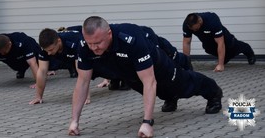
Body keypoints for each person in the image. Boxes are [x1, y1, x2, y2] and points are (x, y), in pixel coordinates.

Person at [68, 16, 223, 138]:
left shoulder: (130, 38)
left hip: (159, 66)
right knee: (160, 93)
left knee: (183, 85)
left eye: (98, 43)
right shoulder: (85, 46)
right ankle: (170, 97)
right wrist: (74, 121)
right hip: (129, 73)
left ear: (109, 34)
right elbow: (82, 83)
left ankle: (214, 92)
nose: (93, 48)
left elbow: (149, 81)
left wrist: (147, 122)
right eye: (90, 43)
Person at [29, 28, 90, 105]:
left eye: (51, 50)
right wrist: (38, 97)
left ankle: (107, 79)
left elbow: (82, 70)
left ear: (58, 41)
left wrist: (85, 96)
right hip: (65, 57)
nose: (49, 53)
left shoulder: (74, 41)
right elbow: (42, 72)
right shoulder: (46, 49)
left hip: (86, 51)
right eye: (47, 50)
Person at [182, 12, 256, 72]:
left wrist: (220, 65)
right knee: (207, 48)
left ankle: (248, 50)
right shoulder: (187, 25)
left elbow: (220, 42)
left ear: (200, 21)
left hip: (224, 37)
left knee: (232, 46)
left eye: (196, 29)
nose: (194, 31)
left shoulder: (212, 20)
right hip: (208, 39)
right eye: (192, 29)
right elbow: (186, 43)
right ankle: (225, 58)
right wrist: (186, 64)